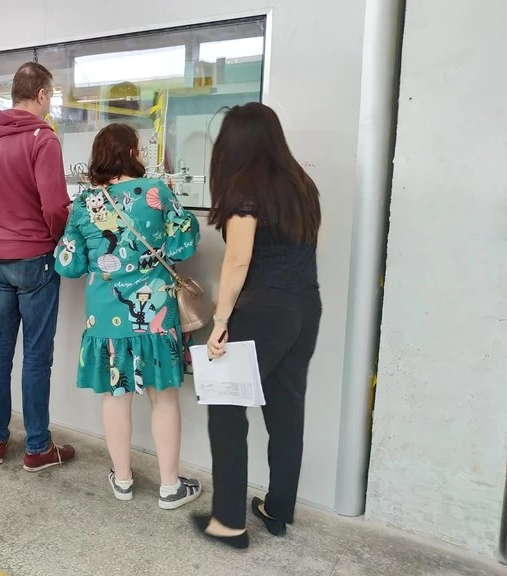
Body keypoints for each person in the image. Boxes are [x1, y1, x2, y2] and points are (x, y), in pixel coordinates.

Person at [193, 102, 322, 549]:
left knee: (226, 410)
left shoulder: (244, 189)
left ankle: (228, 522)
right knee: (287, 412)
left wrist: (220, 320)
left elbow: (239, 258)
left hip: (264, 309)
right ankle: (278, 509)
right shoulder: (301, 185)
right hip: (306, 306)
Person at [55, 123, 203, 509]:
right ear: (132, 154)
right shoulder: (156, 192)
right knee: (164, 399)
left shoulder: (84, 204)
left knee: (116, 398)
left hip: (106, 319)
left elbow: (68, 265)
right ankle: (170, 487)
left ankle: (122, 480)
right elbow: (184, 244)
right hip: (155, 315)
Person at [0, 62, 75, 471]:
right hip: (36, 260)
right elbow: (55, 207)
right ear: (43, 94)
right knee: (35, 357)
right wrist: (52, 238)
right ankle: (37, 447)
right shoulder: (42, 139)